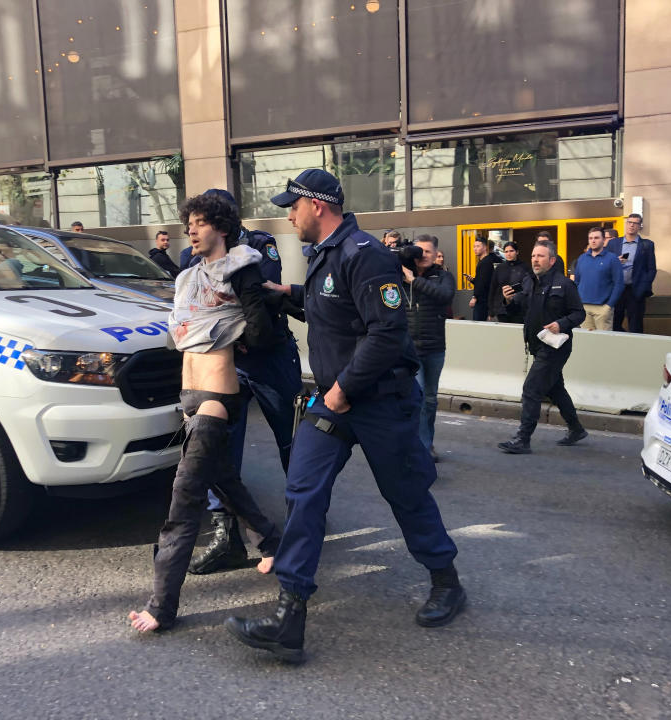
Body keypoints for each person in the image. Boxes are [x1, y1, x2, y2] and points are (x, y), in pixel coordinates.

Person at [225, 169, 464, 663]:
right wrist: (285, 294)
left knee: (406, 494)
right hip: (336, 401)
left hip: (377, 401)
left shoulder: (365, 254)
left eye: (293, 204)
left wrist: (341, 391)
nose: (288, 213)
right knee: (303, 490)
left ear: (319, 205)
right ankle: (289, 621)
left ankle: (447, 581)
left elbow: (384, 334)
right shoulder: (325, 256)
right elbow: (331, 311)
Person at [128, 194, 282, 633]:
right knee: (224, 481)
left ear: (222, 227)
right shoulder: (188, 276)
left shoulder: (242, 270)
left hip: (217, 395)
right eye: (189, 223)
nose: (191, 230)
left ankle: (162, 606)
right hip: (190, 393)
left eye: (199, 223)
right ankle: (271, 542)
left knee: (185, 496)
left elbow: (263, 331)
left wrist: (238, 336)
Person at [187, 188, 303, 576]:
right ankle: (226, 537)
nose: (196, 229)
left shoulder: (258, 246)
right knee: (219, 450)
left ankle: (305, 517)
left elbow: (261, 297)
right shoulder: (197, 257)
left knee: (292, 441)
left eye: (205, 220)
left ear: (226, 219)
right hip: (228, 363)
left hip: (269, 359)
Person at [498, 240, 587, 454]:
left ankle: (523, 438)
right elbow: (521, 307)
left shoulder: (564, 284)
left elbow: (579, 313)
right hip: (536, 345)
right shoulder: (531, 282)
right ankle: (576, 429)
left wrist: (561, 324)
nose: (535, 260)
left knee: (531, 389)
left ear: (552, 260)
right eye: (533, 256)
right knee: (555, 390)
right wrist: (509, 300)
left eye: (540, 256)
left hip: (555, 347)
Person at [401, 234, 455, 461]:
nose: (423, 255)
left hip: (435, 348)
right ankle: (419, 449)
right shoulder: (397, 275)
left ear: (436, 255)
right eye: (419, 251)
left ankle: (427, 443)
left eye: (428, 252)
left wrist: (415, 281)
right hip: (408, 349)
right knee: (420, 398)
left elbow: (445, 296)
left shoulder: (443, 277)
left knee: (430, 400)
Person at [607, 214, 656, 333]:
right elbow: (606, 265)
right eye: (629, 222)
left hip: (636, 290)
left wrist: (643, 286)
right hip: (617, 289)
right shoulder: (613, 244)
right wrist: (615, 262)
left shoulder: (647, 244)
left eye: (635, 223)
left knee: (636, 325)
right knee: (613, 324)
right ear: (626, 224)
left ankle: (635, 349)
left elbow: (651, 269)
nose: (632, 225)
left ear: (639, 226)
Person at [574, 227, 624, 331]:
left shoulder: (612, 259)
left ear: (603, 240)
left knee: (603, 344)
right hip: (584, 308)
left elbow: (619, 284)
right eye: (590, 238)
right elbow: (577, 282)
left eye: (596, 237)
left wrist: (609, 306)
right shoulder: (582, 258)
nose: (593, 240)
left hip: (603, 308)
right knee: (587, 342)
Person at [489, 241, 531, 324]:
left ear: (517, 252)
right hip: (502, 309)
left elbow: (529, 289)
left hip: (519, 309)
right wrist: (491, 310)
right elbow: (493, 288)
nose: (509, 254)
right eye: (506, 251)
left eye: (511, 251)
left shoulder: (525, 267)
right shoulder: (499, 268)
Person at [468, 237, 496, 321]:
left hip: (483, 301)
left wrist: (474, 297)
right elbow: (482, 281)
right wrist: (473, 280)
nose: (475, 249)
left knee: (478, 325)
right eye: (474, 246)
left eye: (478, 246)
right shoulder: (482, 262)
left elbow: (483, 283)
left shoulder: (486, 262)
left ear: (484, 247)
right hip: (483, 300)